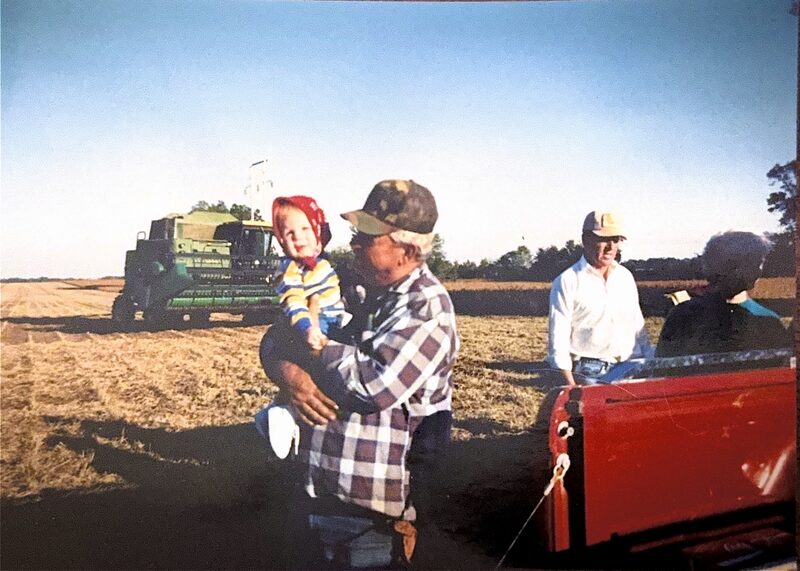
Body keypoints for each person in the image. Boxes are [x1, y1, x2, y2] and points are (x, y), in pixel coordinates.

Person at [259, 179, 459, 569]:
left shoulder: (427, 308)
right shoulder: (351, 287)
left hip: (371, 521)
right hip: (317, 493)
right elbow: (274, 338)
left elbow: (371, 386)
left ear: (405, 248)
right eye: (355, 234)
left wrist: (314, 346)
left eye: (366, 236)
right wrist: (289, 375)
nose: (353, 244)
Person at [254, 195, 345, 459]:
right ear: (281, 241)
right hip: (315, 326)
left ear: (318, 235)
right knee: (314, 371)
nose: (298, 237)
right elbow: (293, 302)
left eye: (305, 229)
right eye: (289, 233)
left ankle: (275, 417)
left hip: (334, 319)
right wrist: (308, 328)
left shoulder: (323, 265)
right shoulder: (291, 269)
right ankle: (281, 414)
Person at [547, 210, 653, 385]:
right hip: (591, 370)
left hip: (633, 366)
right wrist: (571, 386)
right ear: (585, 240)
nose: (611, 247)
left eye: (616, 239)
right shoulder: (567, 281)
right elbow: (558, 340)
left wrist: (650, 362)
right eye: (603, 239)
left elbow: (638, 327)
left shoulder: (625, 277)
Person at [656, 230, 790, 357]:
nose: (758, 268)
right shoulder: (683, 316)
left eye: (757, 262)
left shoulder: (769, 321)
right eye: (750, 262)